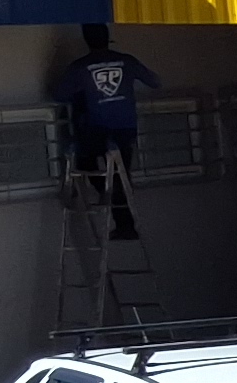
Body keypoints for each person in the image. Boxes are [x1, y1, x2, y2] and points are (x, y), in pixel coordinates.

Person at [51, 24, 158, 240]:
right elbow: (155, 81)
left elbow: (59, 94)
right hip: (125, 130)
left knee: (84, 163)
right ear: (108, 38)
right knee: (121, 176)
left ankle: (108, 197)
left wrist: (83, 94)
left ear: (86, 40)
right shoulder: (127, 61)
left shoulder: (80, 67)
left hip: (99, 131)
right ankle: (124, 222)